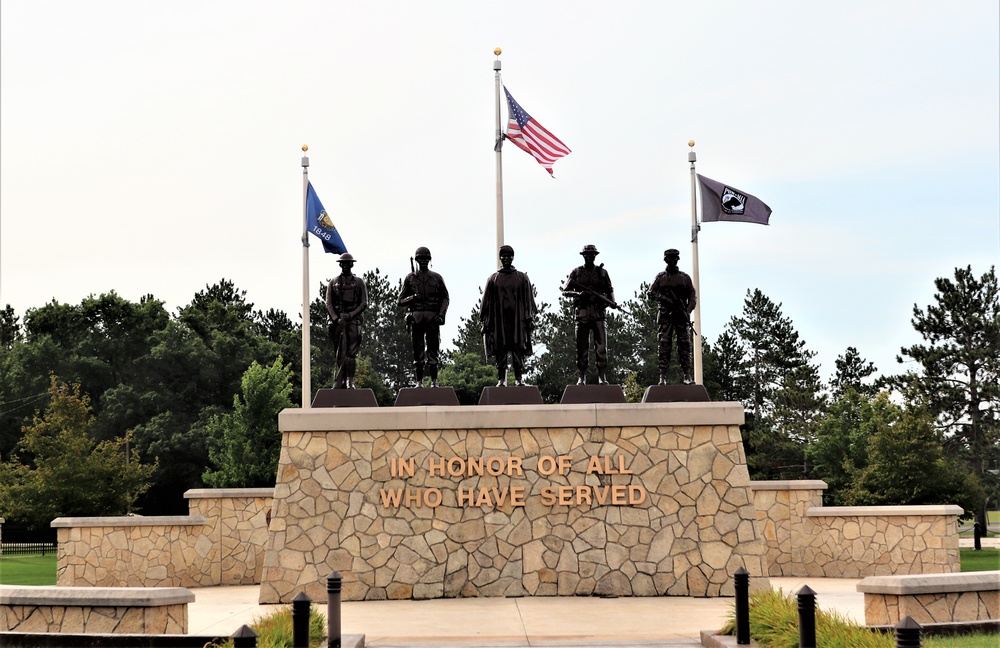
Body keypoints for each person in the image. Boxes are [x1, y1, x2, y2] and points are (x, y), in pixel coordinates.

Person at [480, 245, 538, 386]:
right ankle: (501, 379)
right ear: (500, 258)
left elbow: (528, 300)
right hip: (500, 320)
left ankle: (518, 379)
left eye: (509, 256)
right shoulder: (493, 279)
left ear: (513, 258)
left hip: (517, 320)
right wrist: (485, 321)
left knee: (518, 348)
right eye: (504, 256)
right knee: (501, 349)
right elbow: (486, 302)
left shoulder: (522, 278)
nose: (506, 259)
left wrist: (529, 318)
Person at [561, 244, 617, 384]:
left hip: (598, 313)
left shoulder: (602, 272)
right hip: (582, 314)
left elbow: (610, 289)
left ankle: (602, 376)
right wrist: (579, 294)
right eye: (587, 254)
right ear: (583, 256)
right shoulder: (576, 272)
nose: (589, 257)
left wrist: (612, 301)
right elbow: (565, 290)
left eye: (592, 254)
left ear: (595, 256)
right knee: (582, 347)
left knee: (601, 347)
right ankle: (581, 376)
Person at [397, 246, 450, 387]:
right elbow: (400, 301)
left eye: (426, 259)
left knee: (433, 351)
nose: (423, 261)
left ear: (429, 260)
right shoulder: (410, 278)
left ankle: (434, 381)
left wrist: (441, 315)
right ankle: (419, 381)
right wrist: (413, 297)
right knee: (418, 351)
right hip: (417, 318)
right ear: (417, 260)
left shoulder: (437, 278)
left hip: (432, 318)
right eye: (420, 259)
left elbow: (445, 298)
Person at [647, 248, 696, 385]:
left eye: (674, 258)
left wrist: (688, 311)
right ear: (666, 260)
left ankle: (687, 375)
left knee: (684, 344)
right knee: (664, 344)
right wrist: (664, 299)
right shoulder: (660, 277)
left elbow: (692, 296)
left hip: (681, 315)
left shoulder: (685, 278)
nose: (672, 261)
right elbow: (650, 293)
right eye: (670, 259)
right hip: (665, 315)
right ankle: (662, 376)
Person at [326, 253, 368, 389]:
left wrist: (350, 315)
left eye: (347, 264)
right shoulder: (333, 282)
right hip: (337, 322)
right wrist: (336, 319)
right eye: (343, 264)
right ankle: (341, 379)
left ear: (351, 265)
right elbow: (329, 304)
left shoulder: (359, 282)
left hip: (353, 321)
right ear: (340, 265)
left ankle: (350, 380)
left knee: (351, 353)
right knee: (339, 353)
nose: (345, 266)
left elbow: (364, 303)